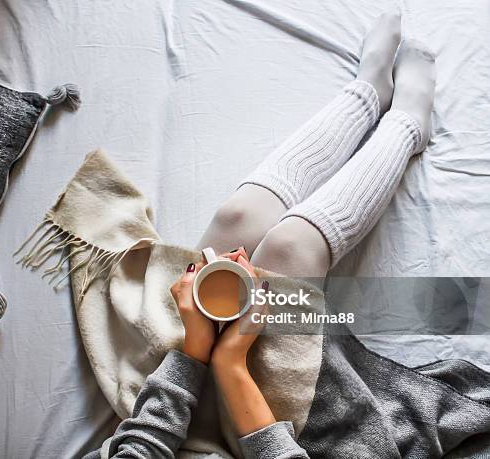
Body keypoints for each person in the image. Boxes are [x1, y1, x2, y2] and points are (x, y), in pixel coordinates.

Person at [84, 10, 436, 459]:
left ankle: (367, 94)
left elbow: (141, 446)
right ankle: (406, 126)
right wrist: (230, 361)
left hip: (166, 406)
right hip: (264, 436)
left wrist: (195, 350)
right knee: (288, 247)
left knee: (235, 221)